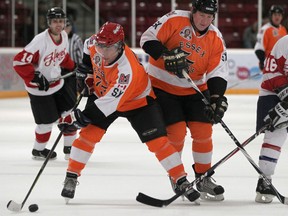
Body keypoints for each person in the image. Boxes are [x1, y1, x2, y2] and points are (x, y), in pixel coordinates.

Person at [58, 22, 200, 203]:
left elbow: (109, 104)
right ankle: (71, 176)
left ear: (119, 46)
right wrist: (86, 72)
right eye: (100, 46)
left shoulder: (127, 70)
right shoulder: (96, 43)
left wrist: (77, 118)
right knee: (88, 136)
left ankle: (181, 180)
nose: (102, 51)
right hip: (104, 93)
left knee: (158, 142)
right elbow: (88, 47)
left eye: (107, 48)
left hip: (137, 101)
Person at [140, 0, 228, 201]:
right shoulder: (175, 19)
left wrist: (216, 98)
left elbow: (217, 71)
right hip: (162, 87)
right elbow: (147, 38)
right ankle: (177, 176)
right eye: (201, 15)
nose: (205, 20)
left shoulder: (216, 37)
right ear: (193, 11)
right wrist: (164, 54)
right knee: (176, 132)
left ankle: (204, 176)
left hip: (194, 88)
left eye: (209, 16)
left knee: (203, 130)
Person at [13, 7, 76, 160]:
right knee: (45, 124)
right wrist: (34, 75)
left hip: (57, 83)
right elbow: (19, 61)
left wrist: (73, 66)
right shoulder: (40, 41)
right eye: (55, 21)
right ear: (49, 23)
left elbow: (62, 56)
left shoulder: (64, 35)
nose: (59, 25)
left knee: (70, 115)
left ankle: (70, 149)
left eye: (61, 21)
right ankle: (38, 150)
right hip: (39, 89)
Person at [255, 35, 288, 203]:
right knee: (276, 134)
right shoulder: (284, 42)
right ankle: (264, 181)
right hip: (272, 93)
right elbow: (272, 71)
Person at [254, 5, 287, 71]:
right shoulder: (265, 29)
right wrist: (262, 62)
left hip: (282, 66)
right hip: (270, 65)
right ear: (271, 16)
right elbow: (259, 49)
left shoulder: (283, 29)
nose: (277, 17)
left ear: (282, 17)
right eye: (275, 15)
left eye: (279, 15)